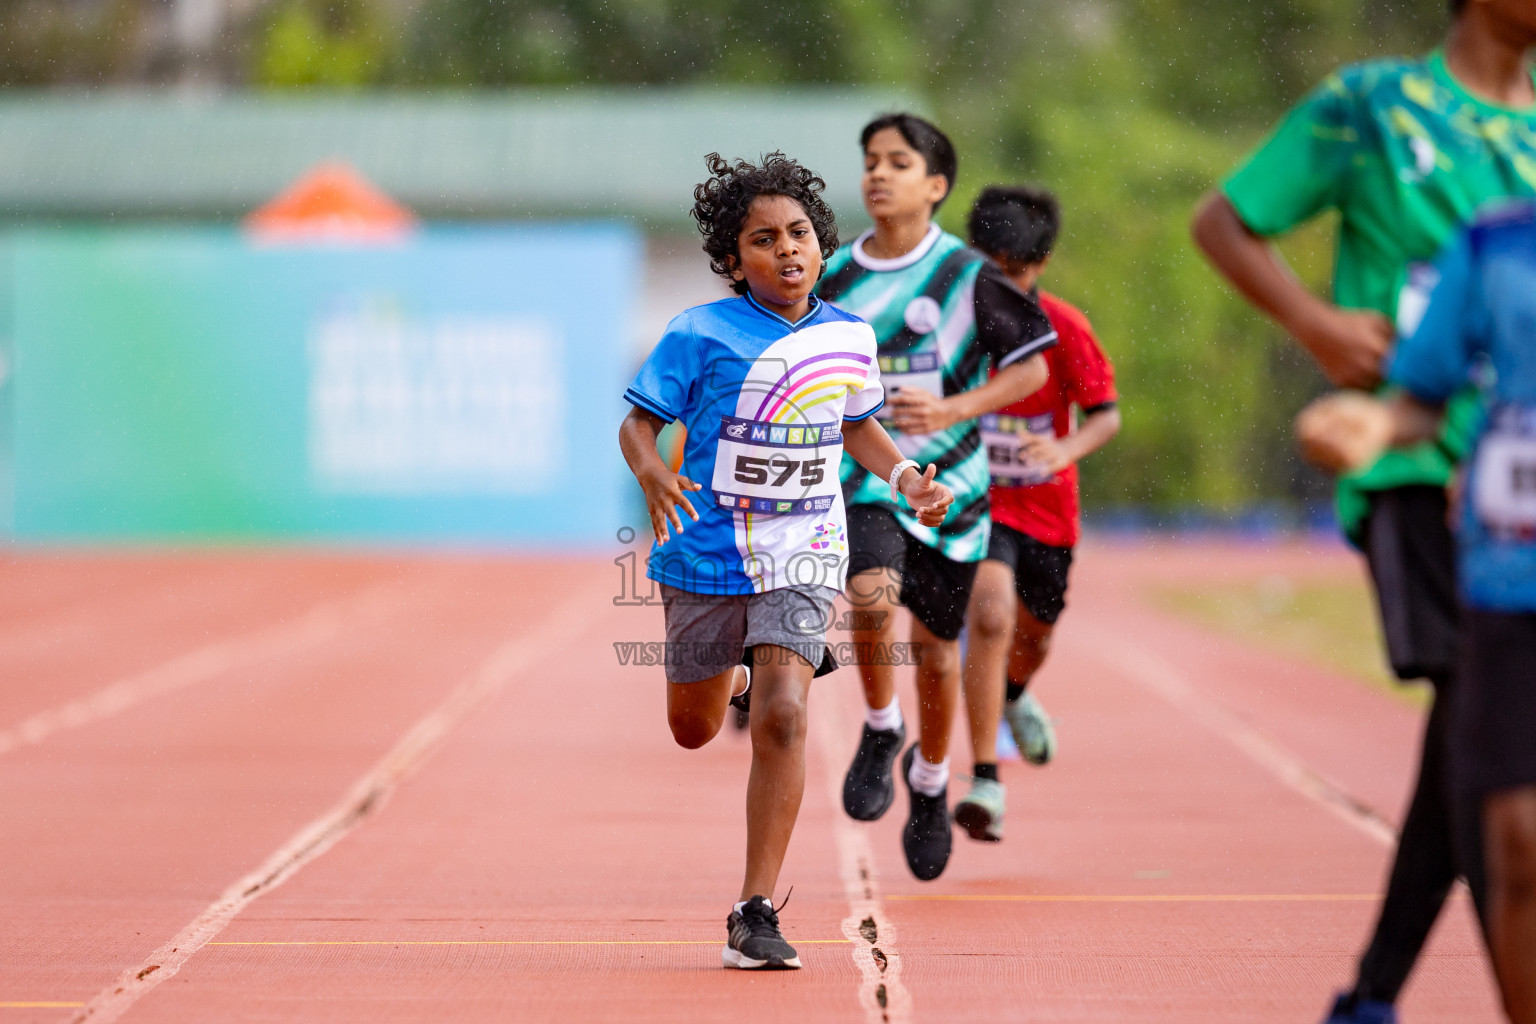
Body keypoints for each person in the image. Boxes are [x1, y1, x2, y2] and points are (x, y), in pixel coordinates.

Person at [1191, 3, 1536, 1018]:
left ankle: (1371, 996)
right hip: (1412, 459)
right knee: (1472, 697)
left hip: (1520, 482)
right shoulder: (1372, 106)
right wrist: (1316, 324)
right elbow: (1224, 220)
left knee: (1469, 731)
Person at [618, 152, 953, 970]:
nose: (788, 250)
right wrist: (656, 469)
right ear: (735, 261)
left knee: (785, 715)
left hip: (804, 549)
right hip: (703, 551)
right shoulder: (697, 334)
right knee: (693, 730)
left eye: (799, 233)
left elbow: (857, 427)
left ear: (821, 243)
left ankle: (753, 908)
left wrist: (905, 476)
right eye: (764, 241)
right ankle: (724, 679)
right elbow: (638, 424)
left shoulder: (849, 336)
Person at [1296, 198, 1536, 1024]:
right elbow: (1423, 394)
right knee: (1516, 838)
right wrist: (1375, 424)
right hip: (1511, 577)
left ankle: (1373, 992)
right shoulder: (1496, 243)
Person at [816, 113, 1057, 881]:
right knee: (869, 591)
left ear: (936, 186)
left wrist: (954, 409)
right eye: (870, 162)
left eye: (897, 162)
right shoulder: (833, 277)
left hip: (952, 489)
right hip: (868, 476)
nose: (878, 174)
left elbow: (1032, 371)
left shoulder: (966, 277)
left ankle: (928, 780)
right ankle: (882, 729)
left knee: (936, 652)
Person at [951, 185, 1120, 842]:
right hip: (977, 502)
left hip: (1047, 508)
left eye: (1017, 273)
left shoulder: (1065, 328)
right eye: (993, 271)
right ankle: (987, 778)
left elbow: (1106, 417)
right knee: (989, 614)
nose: (1007, 287)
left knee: (1034, 633)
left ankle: (1015, 694)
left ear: (1040, 266)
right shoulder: (955, 330)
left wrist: (1063, 447)